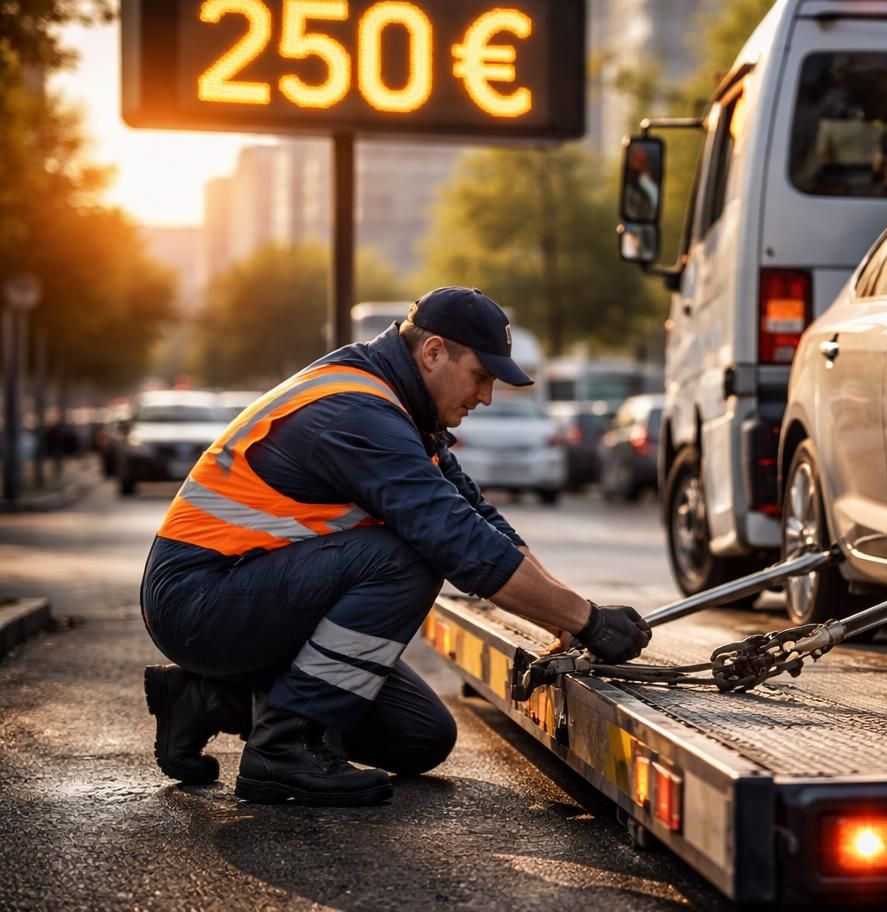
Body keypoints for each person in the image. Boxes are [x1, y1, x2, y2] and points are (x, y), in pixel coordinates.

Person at [139, 287, 652, 807]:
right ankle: (283, 749)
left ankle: (205, 699)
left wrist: (567, 619)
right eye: (481, 376)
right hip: (199, 601)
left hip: (250, 595)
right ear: (433, 353)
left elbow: (481, 521)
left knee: (420, 738)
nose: (487, 396)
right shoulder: (357, 411)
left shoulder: (401, 409)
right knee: (410, 554)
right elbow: (457, 541)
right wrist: (589, 620)